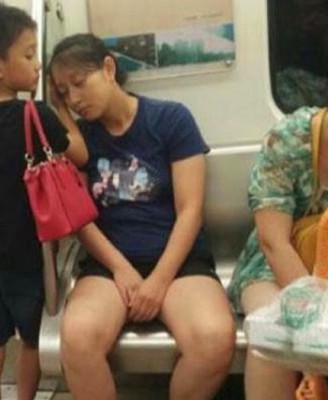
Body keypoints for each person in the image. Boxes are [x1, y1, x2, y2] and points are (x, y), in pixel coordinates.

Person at [48, 33, 236, 400]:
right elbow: (81, 218)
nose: (74, 98)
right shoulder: (81, 142)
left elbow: (190, 209)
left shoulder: (170, 120)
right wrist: (120, 268)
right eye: (63, 93)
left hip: (178, 261)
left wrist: (159, 280)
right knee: (78, 337)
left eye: (79, 83)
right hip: (109, 264)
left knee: (214, 339)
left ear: (108, 68)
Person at [0, 4, 86, 400]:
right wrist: (60, 105)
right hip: (22, 258)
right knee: (30, 343)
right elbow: (78, 154)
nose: (36, 66)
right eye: (29, 55)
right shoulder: (33, 113)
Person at [226, 102, 328, 399]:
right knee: (273, 338)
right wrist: (317, 315)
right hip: (275, 265)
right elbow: (273, 242)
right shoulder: (289, 138)